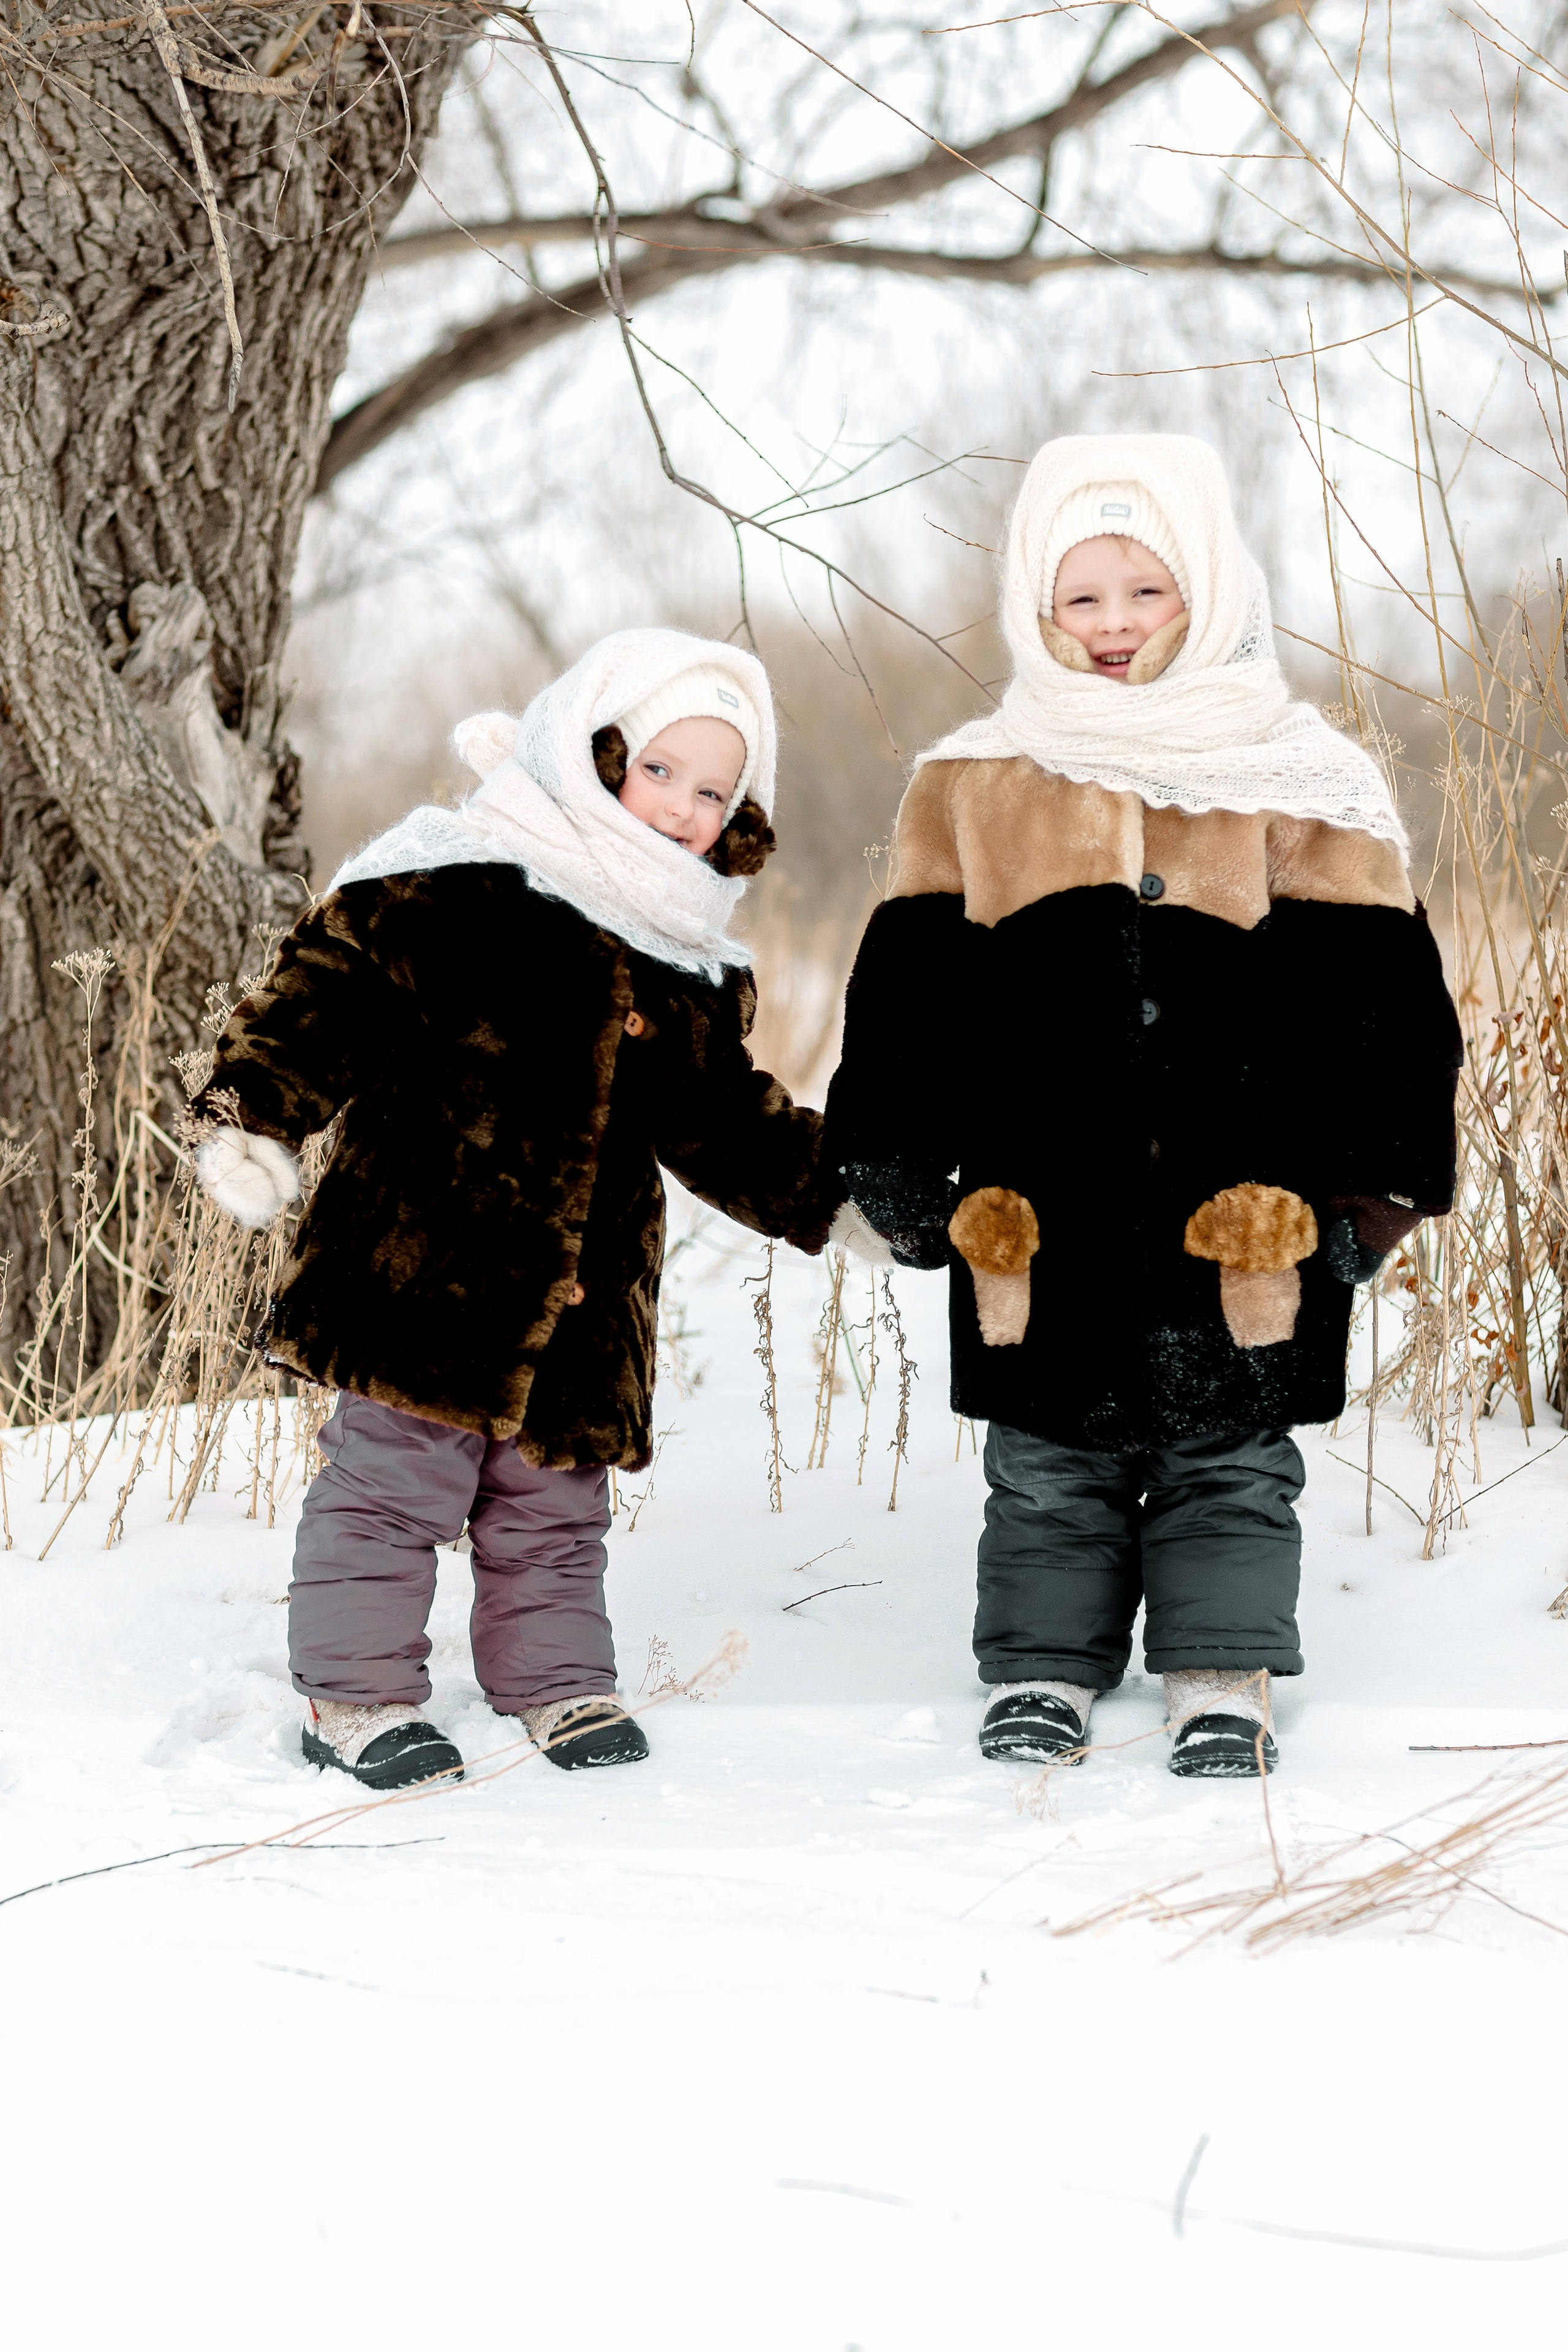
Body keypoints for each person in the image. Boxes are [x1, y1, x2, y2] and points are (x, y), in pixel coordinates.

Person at [825, 434, 1461, 1778]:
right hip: (1037, 1196)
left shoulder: (1297, 772)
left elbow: (1386, 1001)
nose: (1111, 626)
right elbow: (909, 989)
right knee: (1046, 1455)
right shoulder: (973, 777)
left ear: (1207, 591)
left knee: (1230, 1456)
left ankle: (1218, 1671)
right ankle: (1043, 1669)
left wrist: (1376, 1190)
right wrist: (890, 1154)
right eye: (1081, 597)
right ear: (1035, 609)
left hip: (1251, 1202)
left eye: (1144, 592)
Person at [194, 630, 837, 1790]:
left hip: (585, 1301)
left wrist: (831, 1198)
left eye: (714, 792)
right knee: (392, 1491)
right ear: (591, 749)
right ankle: (355, 1696)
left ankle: (554, 1683)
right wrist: (253, 1116)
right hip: (420, 1273)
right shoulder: (453, 879)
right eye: (660, 771)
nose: (684, 809)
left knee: (552, 1506)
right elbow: (326, 990)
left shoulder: (686, 962)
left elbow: (723, 1122)